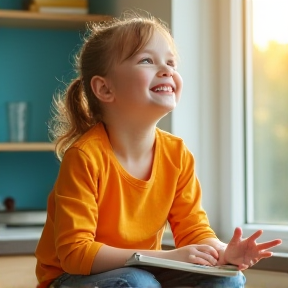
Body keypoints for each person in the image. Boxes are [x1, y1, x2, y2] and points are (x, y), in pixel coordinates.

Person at [35, 10, 282, 288]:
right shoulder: (84, 157)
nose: (167, 70)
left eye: (171, 63)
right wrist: (170, 256)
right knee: (136, 282)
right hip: (72, 278)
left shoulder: (176, 154)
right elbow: (74, 254)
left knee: (228, 279)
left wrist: (224, 252)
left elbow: (194, 230)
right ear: (105, 89)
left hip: (142, 270)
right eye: (147, 60)